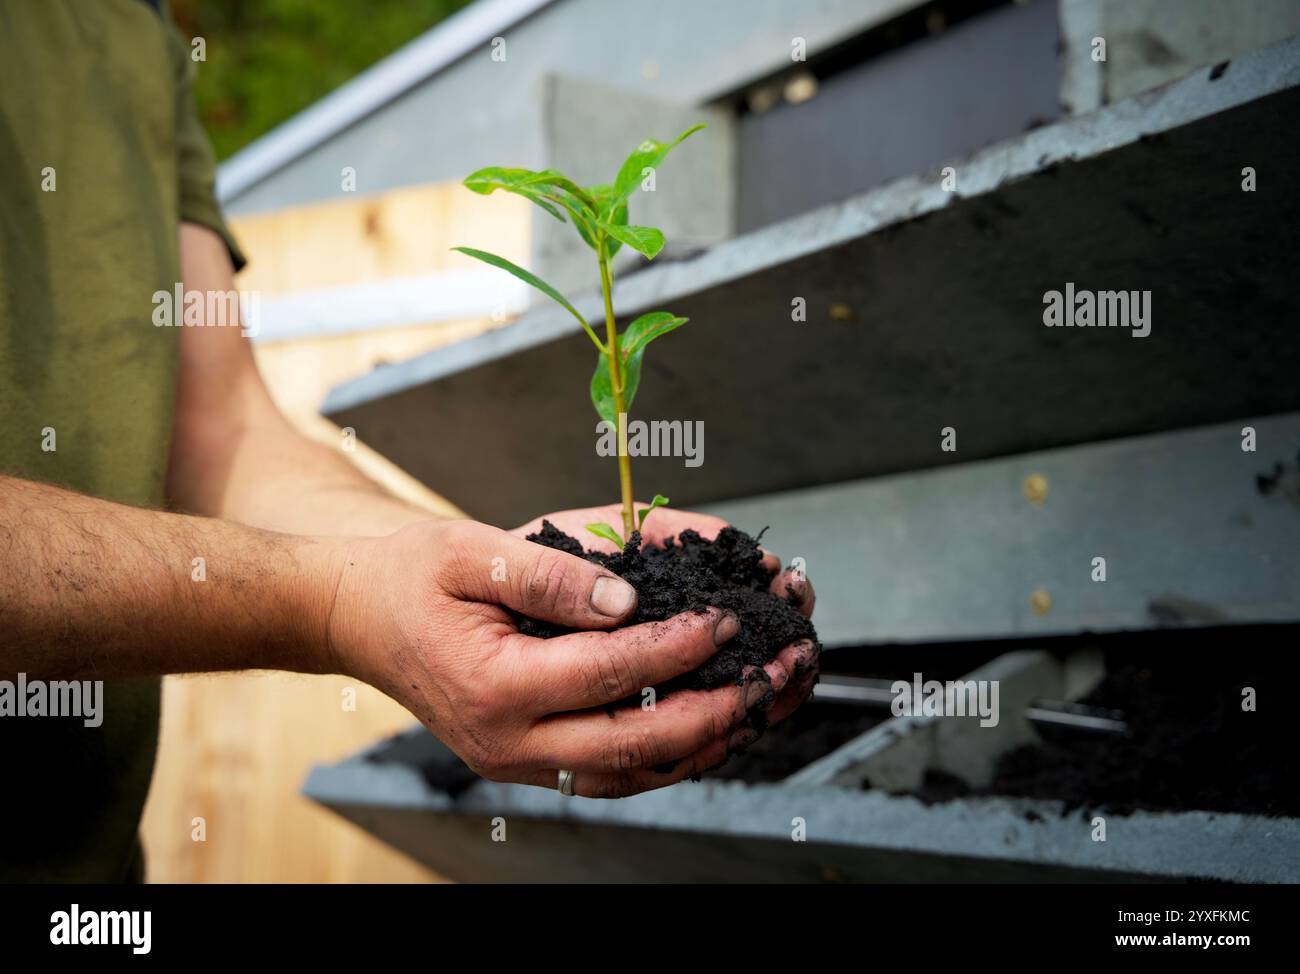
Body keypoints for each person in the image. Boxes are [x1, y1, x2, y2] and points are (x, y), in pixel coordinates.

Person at [0, 1, 818, 882]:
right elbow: (334, 590)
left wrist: (489, 570)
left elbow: (224, 433)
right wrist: (333, 604)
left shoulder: (129, 23)